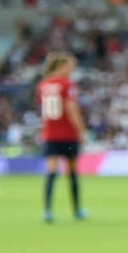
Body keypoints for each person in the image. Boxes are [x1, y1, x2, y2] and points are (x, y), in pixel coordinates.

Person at [36, 51, 88, 223]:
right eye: (70, 66)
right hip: (68, 134)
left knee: (51, 171)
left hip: (49, 134)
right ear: (61, 66)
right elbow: (71, 108)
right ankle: (77, 210)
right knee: (72, 172)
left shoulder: (43, 85)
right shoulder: (67, 84)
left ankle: (48, 211)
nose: (71, 70)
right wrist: (81, 130)